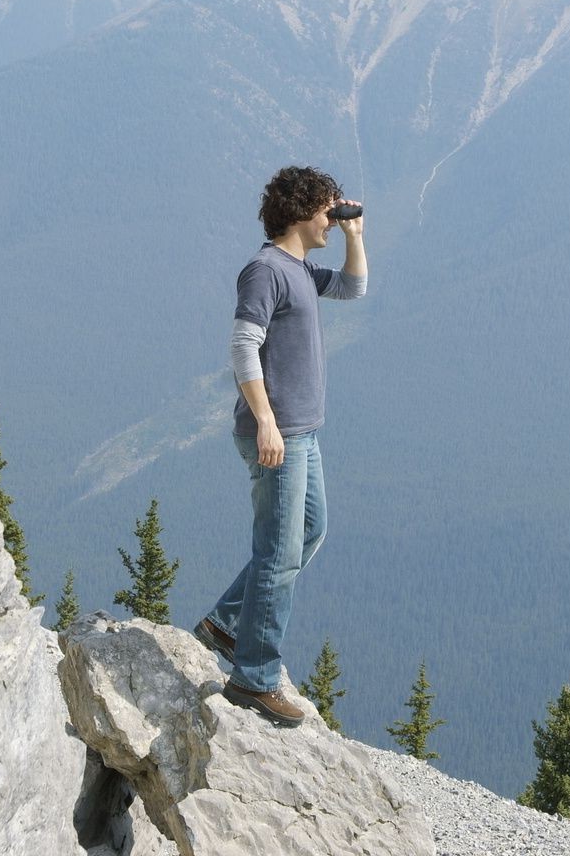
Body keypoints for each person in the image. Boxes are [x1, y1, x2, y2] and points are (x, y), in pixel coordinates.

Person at [194, 166, 367, 726]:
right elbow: (244, 348)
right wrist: (266, 420)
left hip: (303, 432)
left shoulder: (300, 270)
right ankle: (254, 678)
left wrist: (354, 237)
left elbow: (352, 287)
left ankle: (225, 623)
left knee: (309, 532)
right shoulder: (265, 271)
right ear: (298, 212)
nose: (329, 220)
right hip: (278, 435)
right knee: (277, 551)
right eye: (325, 211)